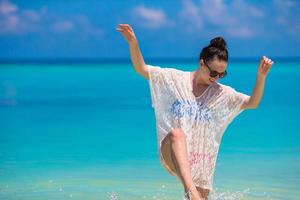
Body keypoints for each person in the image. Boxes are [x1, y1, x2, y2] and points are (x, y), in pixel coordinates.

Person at [116, 24, 273, 200]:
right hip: (172, 153)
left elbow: (252, 103)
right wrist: (132, 42)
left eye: (222, 74)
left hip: (201, 164)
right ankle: (190, 192)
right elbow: (142, 69)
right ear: (201, 63)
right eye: (213, 73)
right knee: (177, 134)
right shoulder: (175, 80)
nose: (216, 78)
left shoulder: (221, 93)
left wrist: (261, 76)